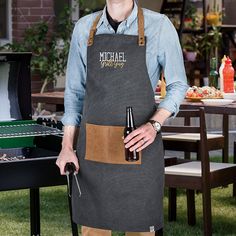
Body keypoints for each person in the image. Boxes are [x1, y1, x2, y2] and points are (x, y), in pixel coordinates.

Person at [56, 0, 188, 235]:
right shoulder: (84, 28)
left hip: (139, 150)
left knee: (140, 227)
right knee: (93, 229)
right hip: (94, 155)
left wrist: (154, 124)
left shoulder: (159, 26)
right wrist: (67, 147)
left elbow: (178, 85)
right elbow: (75, 93)